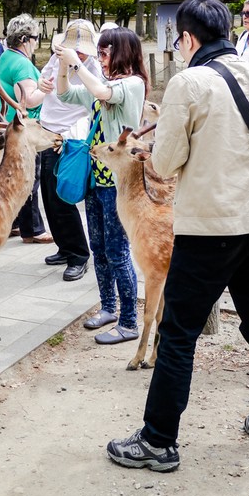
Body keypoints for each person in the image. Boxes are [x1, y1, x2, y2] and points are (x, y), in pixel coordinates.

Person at [105, 0, 249, 473]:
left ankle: (158, 440)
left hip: (208, 226)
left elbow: (167, 162)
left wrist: (152, 154)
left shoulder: (189, 82)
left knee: (178, 332)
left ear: (189, 38)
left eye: (178, 41)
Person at [54, 27, 146, 339]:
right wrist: (63, 67)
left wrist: (76, 63)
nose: (101, 58)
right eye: (100, 52)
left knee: (117, 251)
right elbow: (66, 94)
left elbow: (104, 94)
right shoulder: (103, 83)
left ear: (122, 53)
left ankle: (129, 322)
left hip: (118, 184)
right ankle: (108, 307)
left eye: (105, 52)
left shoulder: (132, 84)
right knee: (98, 248)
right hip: (95, 180)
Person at [38, 20, 101, 277]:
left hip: (69, 137)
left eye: (83, 49)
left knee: (63, 196)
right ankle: (64, 246)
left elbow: (93, 106)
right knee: (48, 196)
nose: (79, 53)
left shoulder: (92, 67)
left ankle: (78, 254)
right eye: (75, 48)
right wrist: (41, 84)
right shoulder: (56, 59)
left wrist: (68, 137)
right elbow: (43, 80)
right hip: (46, 131)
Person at [0, 14, 54, 243]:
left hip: (5, 124)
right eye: (35, 37)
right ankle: (33, 230)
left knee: (10, 177)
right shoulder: (23, 64)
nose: (37, 42)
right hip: (20, 130)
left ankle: (14, 224)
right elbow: (28, 100)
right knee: (28, 179)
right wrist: (47, 89)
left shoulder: (7, 56)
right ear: (25, 39)